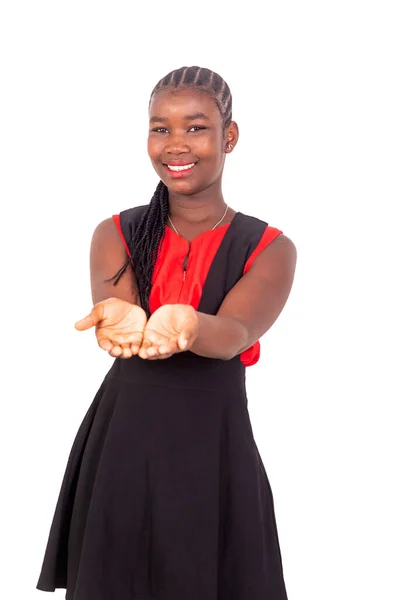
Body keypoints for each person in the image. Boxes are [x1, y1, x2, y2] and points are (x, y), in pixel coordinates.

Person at [36, 66, 297, 600]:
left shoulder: (269, 246)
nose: (175, 144)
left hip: (214, 452)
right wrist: (125, 323)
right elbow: (122, 313)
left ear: (229, 136)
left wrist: (190, 324)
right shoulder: (116, 232)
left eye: (196, 127)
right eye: (160, 128)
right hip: (122, 449)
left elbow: (236, 330)